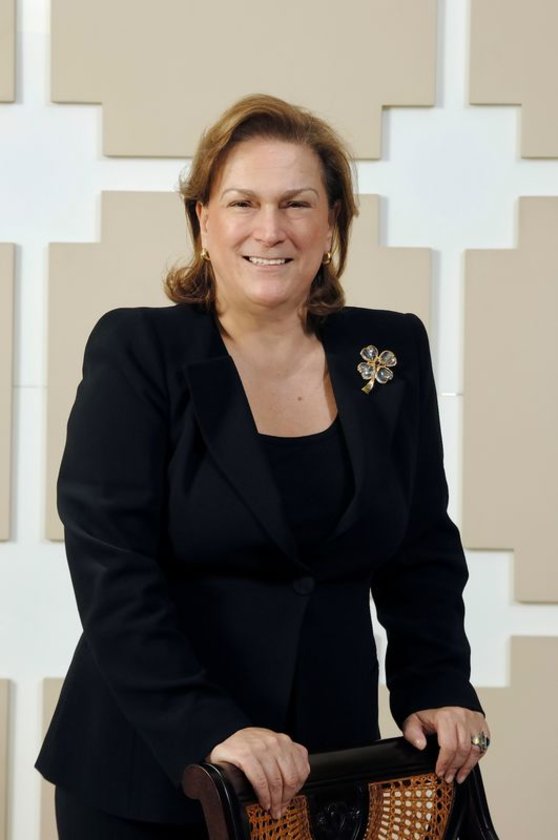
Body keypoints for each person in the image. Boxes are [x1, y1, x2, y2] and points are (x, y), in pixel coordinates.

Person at [36, 93, 490, 838]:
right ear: (202, 220)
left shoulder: (389, 351)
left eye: (297, 203)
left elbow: (420, 546)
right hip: (151, 771)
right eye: (243, 202)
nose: (270, 229)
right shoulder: (138, 351)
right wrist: (209, 726)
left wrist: (436, 683)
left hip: (325, 766)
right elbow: (112, 568)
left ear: (333, 223)